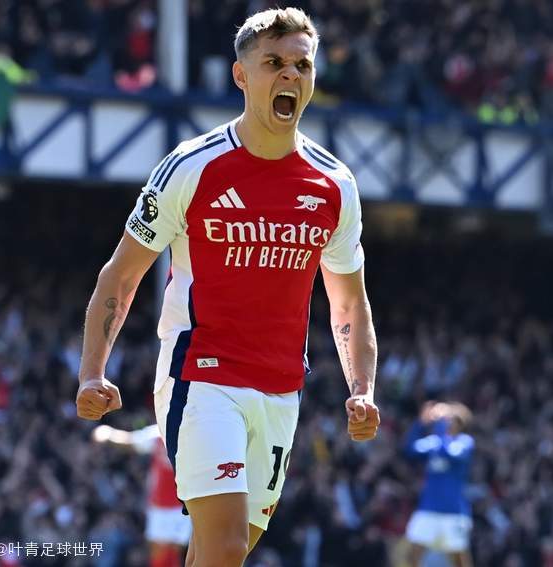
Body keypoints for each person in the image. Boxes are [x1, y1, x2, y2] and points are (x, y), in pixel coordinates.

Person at [75, 7, 380, 567]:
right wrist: (92, 371)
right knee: (225, 545)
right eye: (273, 63)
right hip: (202, 375)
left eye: (301, 65)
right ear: (241, 75)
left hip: (282, 388)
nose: (289, 74)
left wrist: (362, 387)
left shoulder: (335, 184)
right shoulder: (190, 167)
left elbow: (348, 300)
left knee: (223, 553)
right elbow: (122, 273)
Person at [92, 424, 191, 567]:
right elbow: (131, 442)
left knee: (181, 554)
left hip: (183, 508)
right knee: (159, 556)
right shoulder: (159, 434)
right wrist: (109, 434)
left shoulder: (193, 435)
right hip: (159, 508)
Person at [404, 401, 475, 567]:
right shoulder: (434, 441)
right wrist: (420, 423)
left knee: (459, 560)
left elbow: (451, 454)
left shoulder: (465, 442)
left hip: (453, 511)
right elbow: (411, 449)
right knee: (412, 556)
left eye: (448, 419)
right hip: (428, 508)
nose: (444, 422)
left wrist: (441, 432)